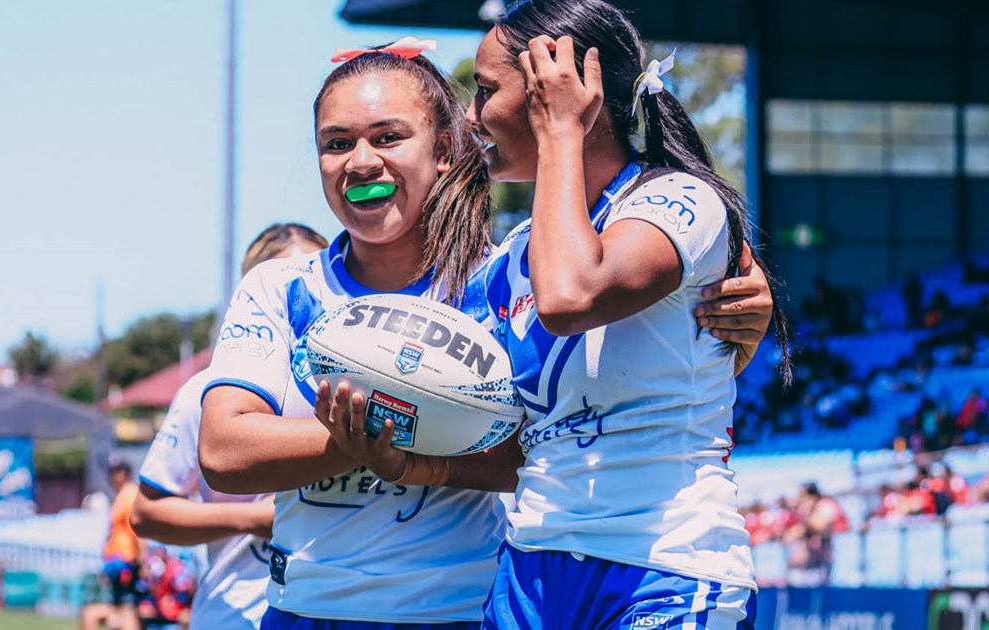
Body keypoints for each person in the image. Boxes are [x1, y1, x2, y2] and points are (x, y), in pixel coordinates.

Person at [198, 37, 784, 630]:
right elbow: (223, 452)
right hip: (306, 611)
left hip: (465, 611)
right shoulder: (282, 288)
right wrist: (385, 430)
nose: (361, 161)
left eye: (388, 137)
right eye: (336, 144)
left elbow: (545, 435)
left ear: (447, 151)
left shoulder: (501, 280)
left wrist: (739, 327)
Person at [465, 1, 793, 626]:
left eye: (485, 92)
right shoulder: (506, 263)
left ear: (555, 90)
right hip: (530, 569)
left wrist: (562, 131)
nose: (473, 115)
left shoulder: (679, 200)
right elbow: (494, 431)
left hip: (666, 567)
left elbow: (571, 298)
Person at [131, 223, 327, 630]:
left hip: (334, 613)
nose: (299, 298)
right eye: (281, 283)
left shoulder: (359, 387)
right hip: (233, 616)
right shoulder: (206, 392)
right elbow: (146, 513)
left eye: (312, 278)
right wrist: (253, 520)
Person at [90, 459, 144, 630]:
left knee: (126, 609)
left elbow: (137, 530)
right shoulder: (121, 496)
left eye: (115, 472)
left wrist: (143, 561)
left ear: (125, 474)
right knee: (119, 609)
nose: (111, 477)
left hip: (126, 561)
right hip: (117, 562)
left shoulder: (130, 494)